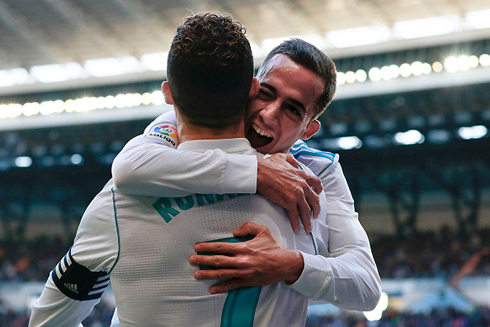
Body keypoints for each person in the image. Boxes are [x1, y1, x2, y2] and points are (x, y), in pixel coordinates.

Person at [29, 13, 331, 326]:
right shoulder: (300, 198)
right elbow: (359, 283)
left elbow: (47, 321)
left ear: (168, 94)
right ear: (252, 90)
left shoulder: (116, 205)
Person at [111, 39, 381, 308]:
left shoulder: (319, 171)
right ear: (250, 88)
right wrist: (257, 171)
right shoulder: (194, 119)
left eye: (292, 109)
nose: (269, 114)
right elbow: (129, 167)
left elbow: (367, 286)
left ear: (307, 131)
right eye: (266, 93)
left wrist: (290, 265)